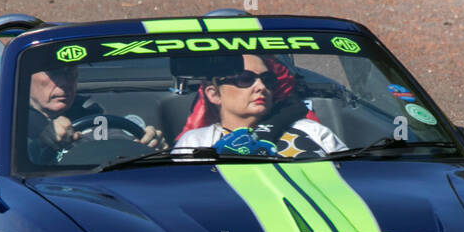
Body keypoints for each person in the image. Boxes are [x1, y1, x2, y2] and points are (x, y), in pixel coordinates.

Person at [172, 54, 345, 158]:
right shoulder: (195, 142)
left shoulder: (312, 131)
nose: (261, 87)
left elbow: (349, 174)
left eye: (267, 80)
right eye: (245, 79)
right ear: (214, 94)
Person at [26, 64, 165, 163]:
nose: (65, 82)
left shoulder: (96, 111)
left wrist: (154, 150)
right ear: (26, 76)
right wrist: (40, 138)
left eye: (70, 70)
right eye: (54, 72)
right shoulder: (9, 123)